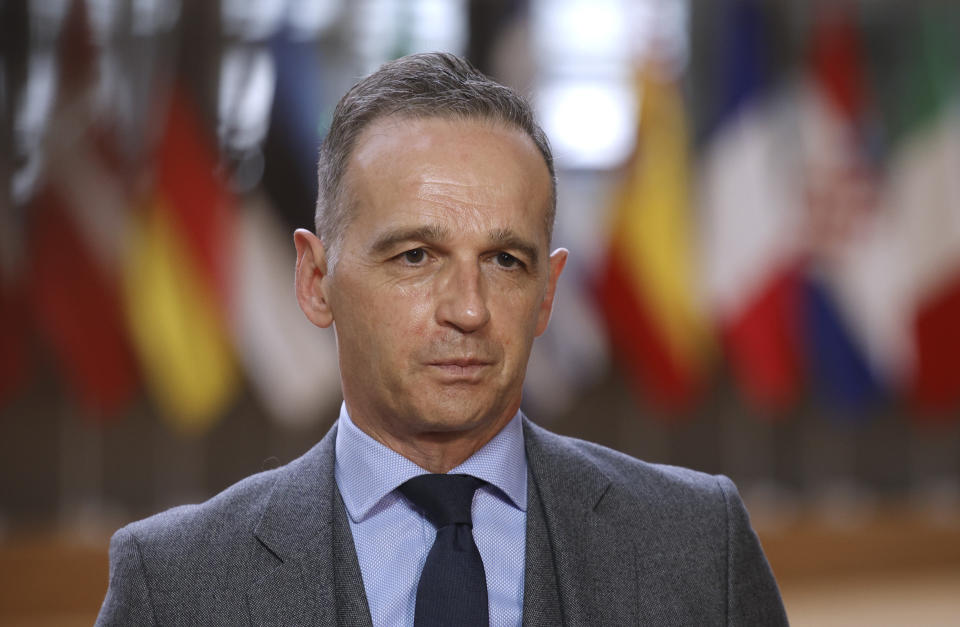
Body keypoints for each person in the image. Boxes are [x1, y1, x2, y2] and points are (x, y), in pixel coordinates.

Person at [96, 52, 787, 626]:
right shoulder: (173, 586)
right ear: (314, 281)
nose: (468, 309)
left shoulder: (700, 546)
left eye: (505, 260)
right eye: (416, 256)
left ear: (548, 293)